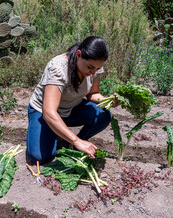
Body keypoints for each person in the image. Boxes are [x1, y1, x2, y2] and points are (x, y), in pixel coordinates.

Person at [26, 36, 119, 165]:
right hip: (44, 112)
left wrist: (108, 101)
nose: (93, 73)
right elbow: (49, 112)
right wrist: (75, 140)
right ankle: (65, 137)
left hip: (71, 108)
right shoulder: (58, 68)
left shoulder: (95, 67)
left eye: (97, 69)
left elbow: (93, 94)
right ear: (79, 54)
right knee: (39, 157)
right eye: (90, 67)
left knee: (103, 115)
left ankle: (74, 141)